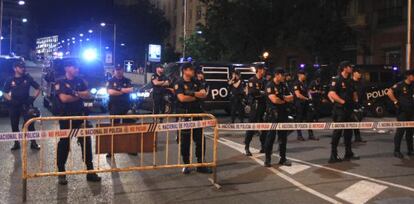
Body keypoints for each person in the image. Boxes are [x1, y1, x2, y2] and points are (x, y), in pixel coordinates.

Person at [54, 59, 101, 185]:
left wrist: (75, 93)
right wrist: (79, 95)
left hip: (80, 117)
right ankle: (61, 173)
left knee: (86, 143)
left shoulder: (80, 81)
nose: (77, 69)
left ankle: (90, 172)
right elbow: (64, 99)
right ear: (67, 68)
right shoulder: (60, 82)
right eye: (74, 67)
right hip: (66, 118)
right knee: (64, 144)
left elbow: (88, 94)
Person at [174, 63, 212, 174]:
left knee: (200, 140)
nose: (193, 71)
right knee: (185, 141)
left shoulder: (196, 81)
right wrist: (196, 96)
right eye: (190, 69)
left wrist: (192, 94)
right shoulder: (179, 82)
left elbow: (204, 94)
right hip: (185, 116)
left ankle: (200, 164)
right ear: (185, 70)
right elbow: (181, 98)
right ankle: (186, 165)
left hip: (196, 114)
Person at [3, 61, 41, 151]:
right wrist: (11, 100)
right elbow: (4, 92)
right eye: (20, 67)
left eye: (23, 67)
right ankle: (16, 143)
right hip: (14, 105)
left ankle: (33, 143)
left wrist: (33, 98)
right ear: (15, 68)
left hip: (26, 104)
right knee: (14, 125)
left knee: (30, 124)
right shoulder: (10, 79)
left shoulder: (28, 78)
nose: (23, 68)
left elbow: (38, 88)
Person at [327, 61, 360, 163]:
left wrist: (356, 101)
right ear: (345, 68)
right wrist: (343, 102)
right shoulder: (336, 79)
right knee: (337, 132)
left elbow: (354, 93)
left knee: (348, 132)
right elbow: (331, 93)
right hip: (340, 110)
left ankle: (348, 152)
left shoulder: (350, 81)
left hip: (349, 110)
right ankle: (333, 155)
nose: (351, 69)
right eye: (350, 67)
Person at [264, 68, 294, 167]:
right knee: (270, 137)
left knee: (283, 138)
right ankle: (267, 159)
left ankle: (283, 158)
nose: (284, 77)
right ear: (277, 75)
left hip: (283, 114)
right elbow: (274, 100)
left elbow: (291, 97)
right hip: (273, 115)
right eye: (282, 75)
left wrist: (282, 98)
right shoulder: (270, 85)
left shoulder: (283, 85)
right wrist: (284, 99)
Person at [106, 65, 134, 157]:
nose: (118, 71)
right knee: (113, 129)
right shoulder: (110, 81)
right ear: (114, 71)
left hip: (126, 107)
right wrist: (123, 92)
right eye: (117, 70)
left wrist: (119, 89)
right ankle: (111, 150)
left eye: (120, 69)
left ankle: (129, 148)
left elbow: (131, 89)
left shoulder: (127, 80)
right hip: (114, 107)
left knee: (128, 129)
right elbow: (110, 92)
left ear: (123, 70)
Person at [386, 70, 414, 158]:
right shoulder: (400, 84)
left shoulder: (413, 85)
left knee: (410, 132)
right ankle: (397, 151)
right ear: (408, 76)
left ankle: (410, 150)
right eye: (413, 75)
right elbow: (389, 92)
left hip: (412, 111)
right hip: (402, 112)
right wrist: (395, 101)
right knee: (401, 131)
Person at [244, 64, 267, 156]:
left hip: (263, 105)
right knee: (252, 127)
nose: (264, 71)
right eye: (263, 69)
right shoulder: (252, 80)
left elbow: (267, 92)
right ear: (259, 70)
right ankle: (247, 146)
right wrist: (262, 92)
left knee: (264, 127)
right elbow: (252, 92)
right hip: (254, 105)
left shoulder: (265, 81)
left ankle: (263, 146)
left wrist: (261, 93)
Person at [293, 70, 317, 141]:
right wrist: (307, 98)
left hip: (306, 103)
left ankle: (311, 135)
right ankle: (299, 135)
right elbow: (298, 94)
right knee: (299, 120)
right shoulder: (296, 83)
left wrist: (310, 97)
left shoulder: (304, 83)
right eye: (304, 75)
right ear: (299, 75)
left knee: (309, 119)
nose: (305, 76)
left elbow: (308, 91)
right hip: (299, 104)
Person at [351, 68, 367, 143]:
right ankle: (349, 138)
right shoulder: (350, 82)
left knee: (356, 121)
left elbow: (364, 95)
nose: (360, 74)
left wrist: (364, 104)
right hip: (351, 105)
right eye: (358, 72)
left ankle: (357, 138)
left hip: (359, 105)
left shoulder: (362, 83)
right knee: (351, 121)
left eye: (360, 73)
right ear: (354, 73)